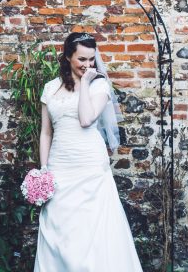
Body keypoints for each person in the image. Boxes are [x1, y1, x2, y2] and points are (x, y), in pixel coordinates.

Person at [33, 32, 143, 271]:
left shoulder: (99, 85)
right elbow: (46, 133)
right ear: (68, 57)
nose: (88, 65)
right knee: (58, 229)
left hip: (89, 164)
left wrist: (84, 83)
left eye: (91, 59)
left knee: (91, 229)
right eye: (82, 59)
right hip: (59, 164)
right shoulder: (50, 88)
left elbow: (85, 119)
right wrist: (44, 170)